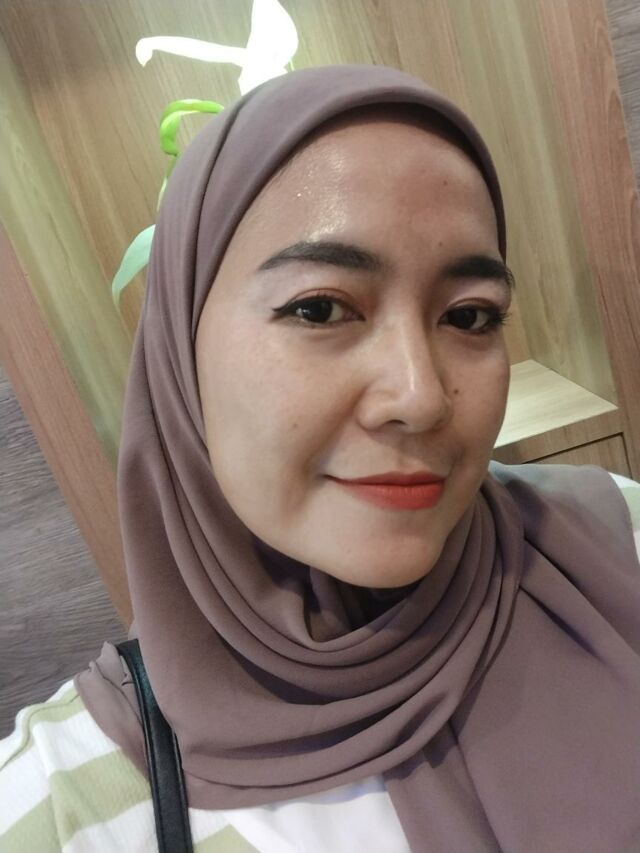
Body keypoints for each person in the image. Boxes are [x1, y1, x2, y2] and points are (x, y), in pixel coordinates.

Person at [2, 64, 640, 853]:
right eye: (320, 307)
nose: (420, 396)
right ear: (180, 347)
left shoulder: (615, 534)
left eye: (470, 316)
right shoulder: (65, 806)